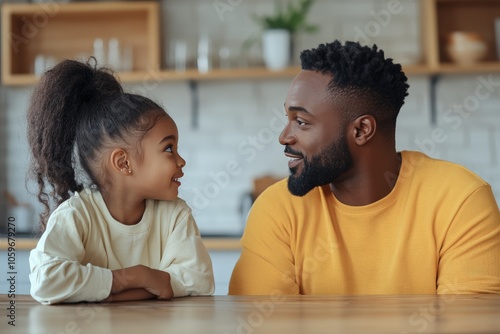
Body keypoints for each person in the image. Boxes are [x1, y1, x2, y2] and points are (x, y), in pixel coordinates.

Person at [229, 40, 500, 295]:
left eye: (301, 121)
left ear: (361, 130)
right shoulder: (277, 210)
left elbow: (468, 325)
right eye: (288, 118)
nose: (284, 136)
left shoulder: (460, 201)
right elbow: (262, 324)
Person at [27, 59, 214, 304]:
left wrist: (112, 294)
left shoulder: (176, 215)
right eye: (169, 149)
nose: (181, 161)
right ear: (123, 163)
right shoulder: (76, 215)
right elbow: (45, 280)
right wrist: (136, 277)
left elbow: (199, 280)